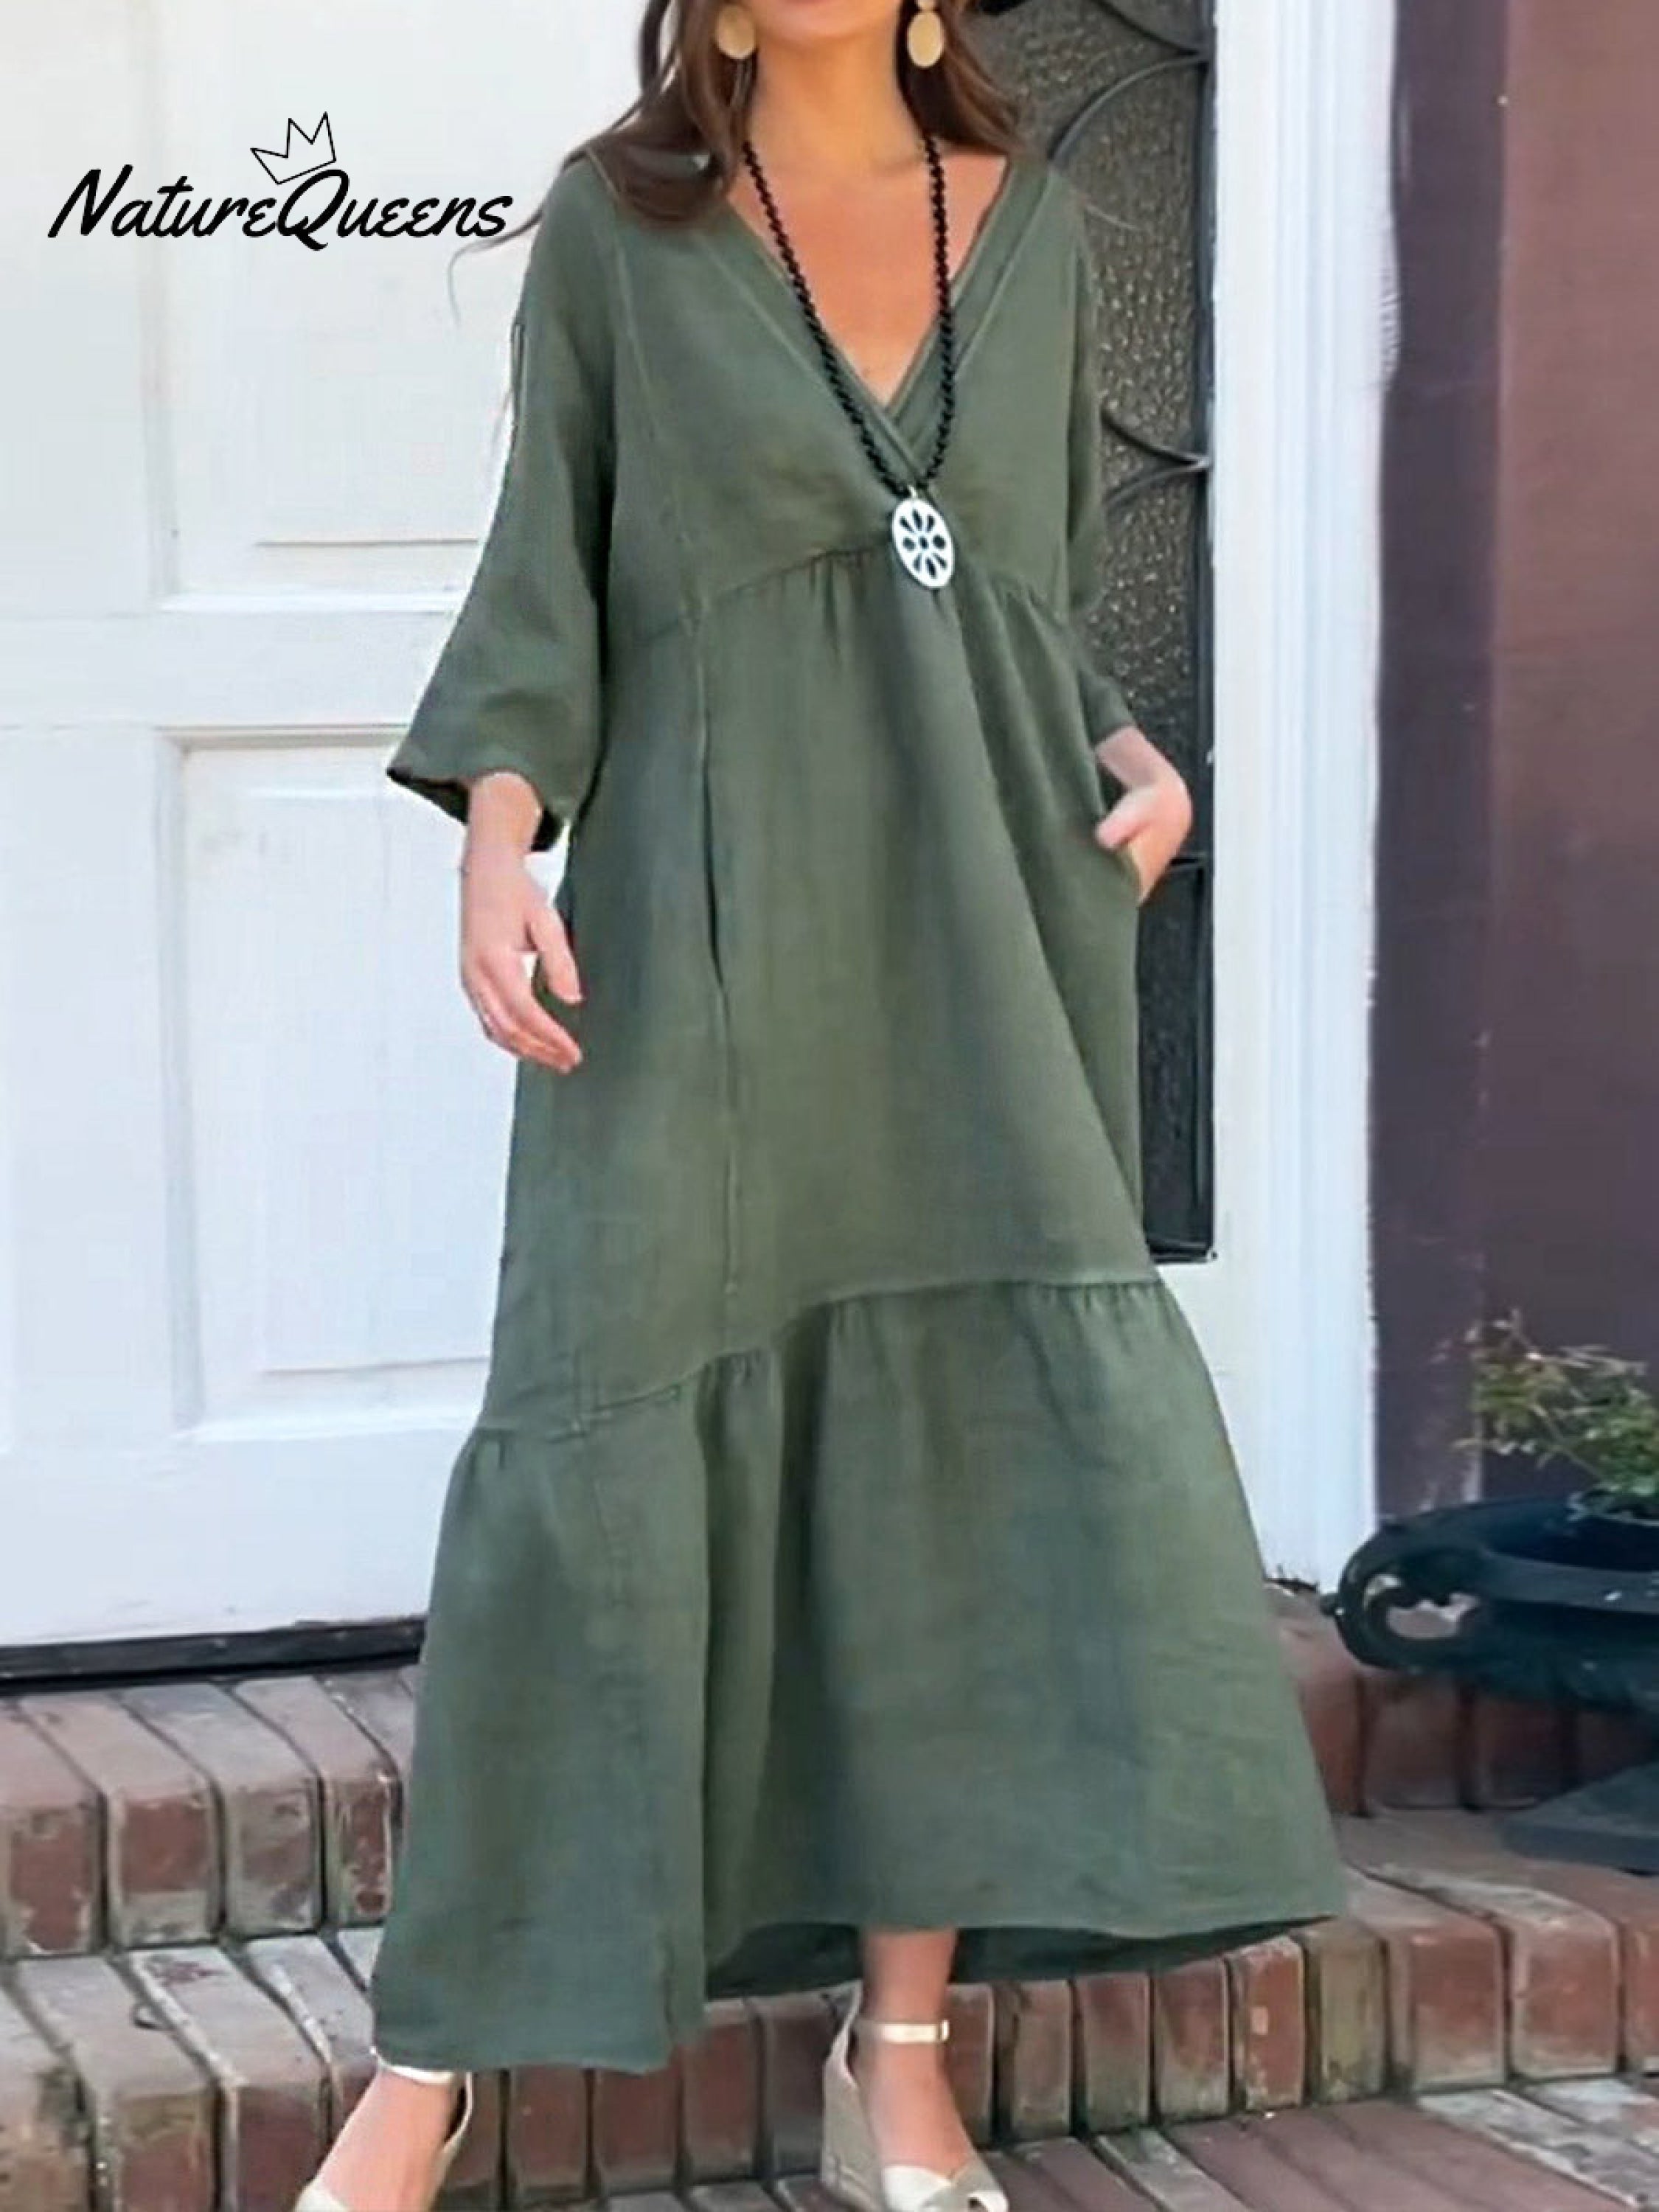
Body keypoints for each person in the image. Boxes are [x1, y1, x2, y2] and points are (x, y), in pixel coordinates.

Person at [296, 1, 1349, 2206]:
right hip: (703, 906)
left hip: (991, 911)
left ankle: (901, 2052)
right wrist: (498, 841)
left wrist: (1132, 757)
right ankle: (434, 2055)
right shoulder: (625, 224)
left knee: (943, 1457)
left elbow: (1032, 588)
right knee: (596, 1419)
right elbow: (549, 563)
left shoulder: (1036, 226)